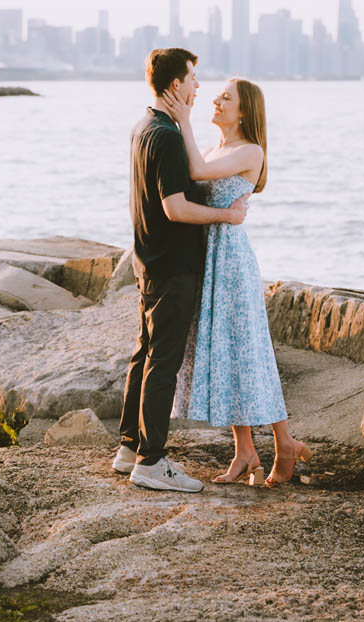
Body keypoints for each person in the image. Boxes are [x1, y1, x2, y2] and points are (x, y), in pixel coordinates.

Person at [114, 48, 250, 493]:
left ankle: (130, 448)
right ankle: (152, 461)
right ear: (176, 85)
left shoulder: (143, 126)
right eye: (193, 78)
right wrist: (226, 217)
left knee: (145, 354)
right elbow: (175, 208)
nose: (198, 87)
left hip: (148, 260)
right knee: (162, 362)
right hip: (171, 265)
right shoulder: (168, 135)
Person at [166, 77, 312, 488]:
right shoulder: (218, 149)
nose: (216, 99)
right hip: (212, 257)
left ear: (244, 110)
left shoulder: (250, 150)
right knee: (229, 351)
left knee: (249, 351)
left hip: (230, 260)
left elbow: (196, 171)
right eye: (218, 94)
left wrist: (183, 120)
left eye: (226, 97)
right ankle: (247, 450)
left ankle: (282, 443)